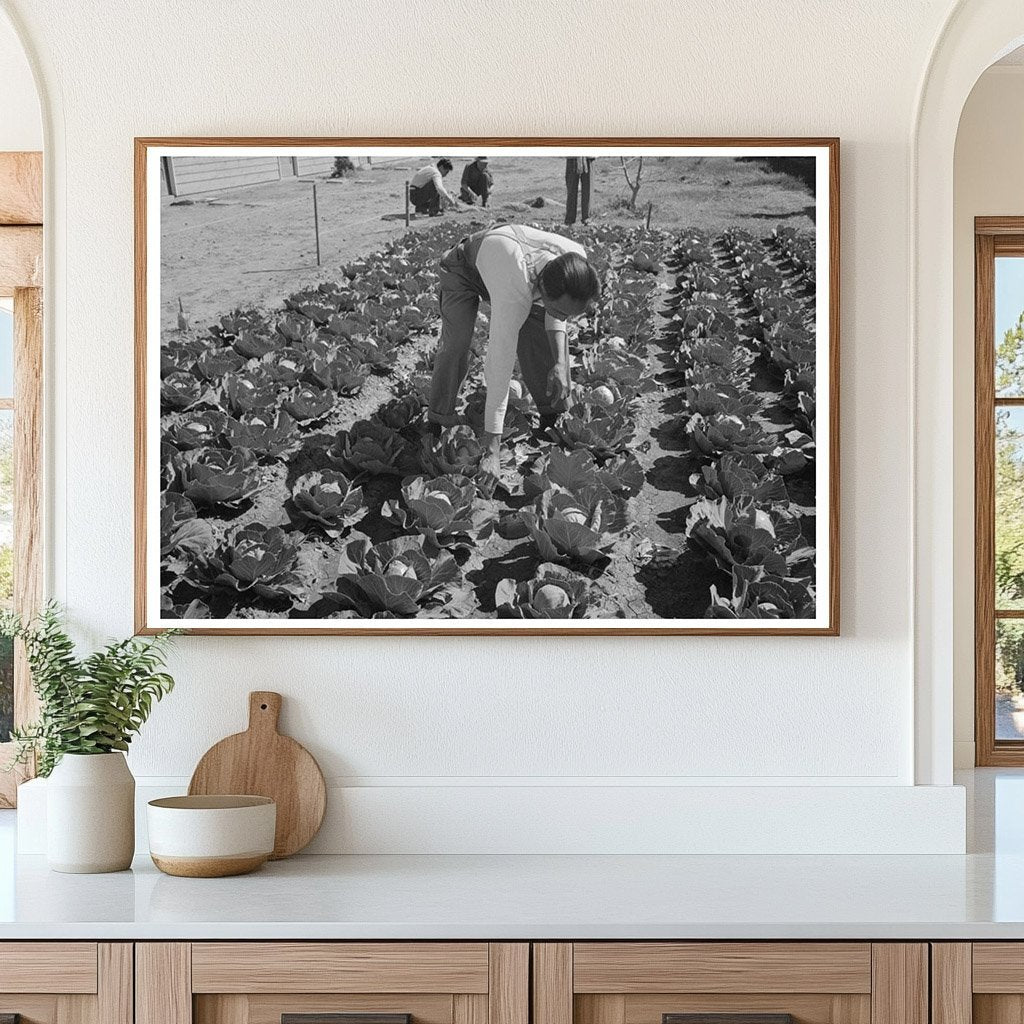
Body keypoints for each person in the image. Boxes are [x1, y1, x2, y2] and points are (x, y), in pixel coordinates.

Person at [428, 223, 601, 480]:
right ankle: (438, 419)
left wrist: (562, 363)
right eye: (562, 311)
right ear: (543, 292)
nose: (565, 318)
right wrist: (492, 449)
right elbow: (499, 364)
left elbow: (557, 316)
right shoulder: (515, 288)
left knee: (541, 336)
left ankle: (552, 413)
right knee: (457, 343)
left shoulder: (576, 264)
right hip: (464, 268)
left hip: (513, 268)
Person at [564, 156, 595, 225]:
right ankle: (569, 219)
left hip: (589, 156)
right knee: (571, 188)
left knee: (588, 188)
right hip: (572, 156)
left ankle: (587, 218)